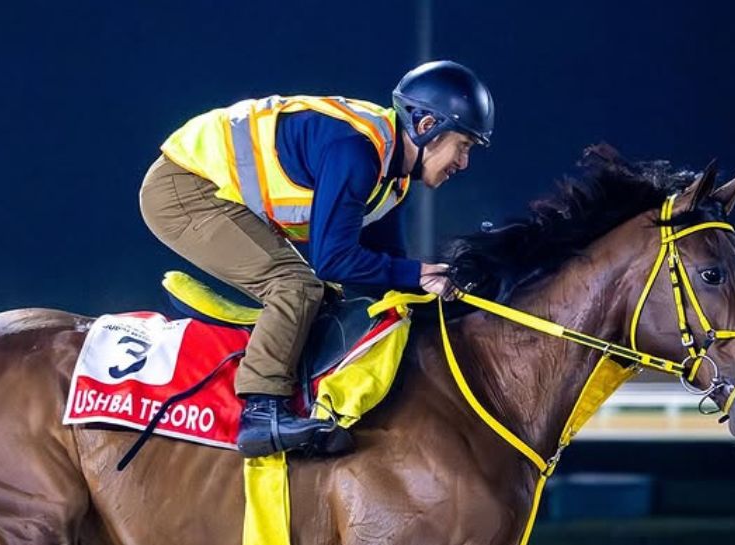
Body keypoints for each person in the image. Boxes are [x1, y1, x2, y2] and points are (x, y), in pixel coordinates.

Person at [139, 60, 494, 458]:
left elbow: (383, 270)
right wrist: (417, 274)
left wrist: (440, 286)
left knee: (325, 297)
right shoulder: (358, 153)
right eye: (463, 146)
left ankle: (300, 397)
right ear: (428, 127)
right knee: (296, 287)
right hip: (184, 189)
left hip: (216, 191)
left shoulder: (392, 179)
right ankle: (261, 412)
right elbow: (333, 260)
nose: (463, 163)